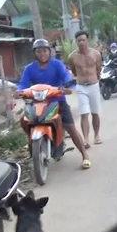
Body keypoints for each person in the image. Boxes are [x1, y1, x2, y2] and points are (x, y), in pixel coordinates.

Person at [15, 38, 91, 170]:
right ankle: (32, 142)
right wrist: (19, 91)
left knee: (70, 127)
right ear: (35, 53)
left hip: (57, 101)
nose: (42, 54)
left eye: (45, 51)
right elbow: (23, 83)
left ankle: (85, 155)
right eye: (39, 51)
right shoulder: (29, 68)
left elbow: (66, 77)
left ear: (49, 52)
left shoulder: (57, 64)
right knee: (24, 120)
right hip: (37, 102)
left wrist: (67, 86)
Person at [68, 31, 103, 148]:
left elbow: (98, 69)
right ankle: (86, 139)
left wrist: (95, 79)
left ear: (87, 40)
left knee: (95, 113)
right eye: (79, 40)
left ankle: (97, 135)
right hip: (81, 86)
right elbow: (73, 71)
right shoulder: (72, 57)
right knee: (84, 113)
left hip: (93, 85)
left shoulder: (96, 54)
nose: (81, 42)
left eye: (83, 40)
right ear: (76, 42)